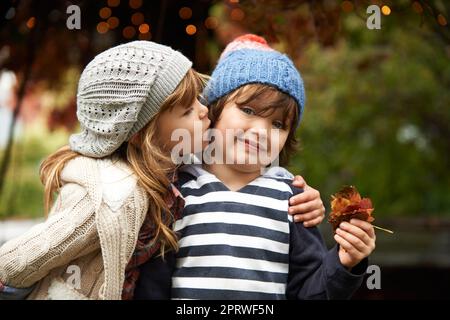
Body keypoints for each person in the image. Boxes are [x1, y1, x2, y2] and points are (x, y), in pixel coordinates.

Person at [0, 40, 324, 300]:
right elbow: (23, 261)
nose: (204, 111)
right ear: (147, 131)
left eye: (201, 100)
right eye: (188, 109)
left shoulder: (173, 179)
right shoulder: (116, 192)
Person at [169, 34, 376, 300]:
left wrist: (343, 263)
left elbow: (308, 291)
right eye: (249, 110)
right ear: (214, 110)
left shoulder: (293, 202)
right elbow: (153, 284)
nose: (261, 132)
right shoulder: (176, 190)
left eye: (278, 124)